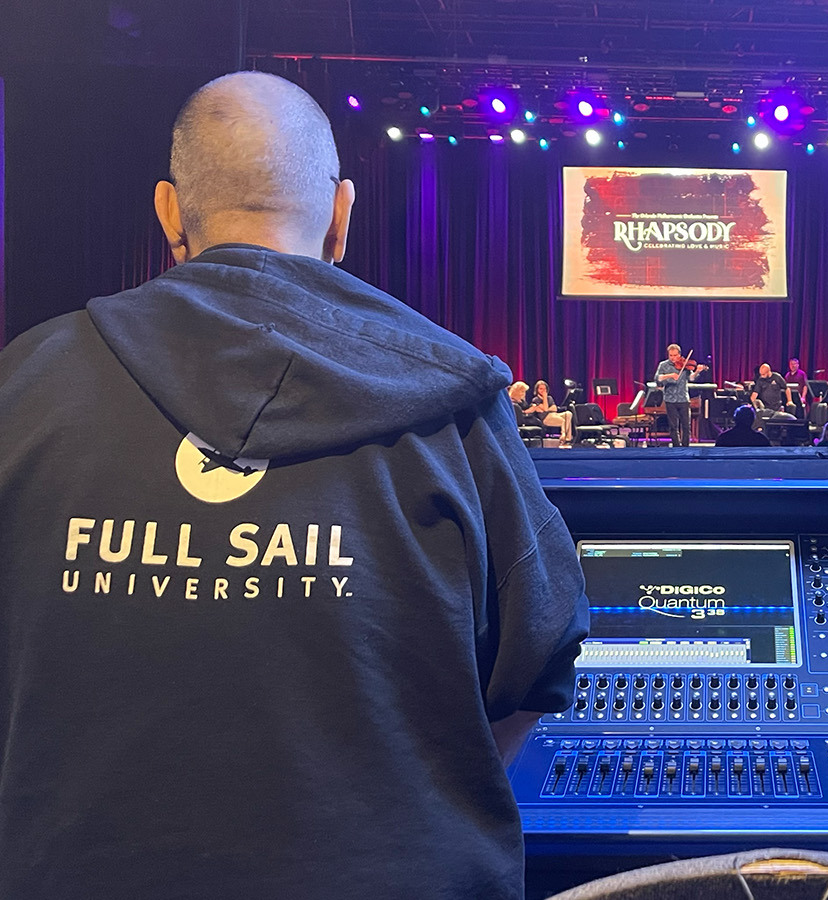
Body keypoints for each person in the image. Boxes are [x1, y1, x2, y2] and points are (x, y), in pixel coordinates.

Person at [0, 72, 589, 899]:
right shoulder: (459, 412)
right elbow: (542, 655)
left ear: (169, 212)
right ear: (341, 215)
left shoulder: (22, 386)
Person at [654, 343, 698, 447]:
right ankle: (676, 447)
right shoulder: (663, 365)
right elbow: (657, 378)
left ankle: (686, 447)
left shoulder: (685, 364)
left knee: (686, 426)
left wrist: (697, 372)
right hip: (670, 399)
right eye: (671, 355)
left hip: (684, 399)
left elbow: (691, 378)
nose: (673, 358)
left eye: (675, 355)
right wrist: (670, 375)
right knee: (673, 426)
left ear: (679, 355)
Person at [529, 380, 574, 444]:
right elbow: (545, 408)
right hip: (545, 418)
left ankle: (567, 438)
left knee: (568, 414)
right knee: (563, 420)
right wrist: (544, 398)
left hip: (554, 415)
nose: (543, 390)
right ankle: (565, 437)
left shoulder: (549, 398)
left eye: (545, 389)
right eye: (541, 389)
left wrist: (547, 409)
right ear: (537, 390)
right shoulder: (536, 400)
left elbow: (554, 409)